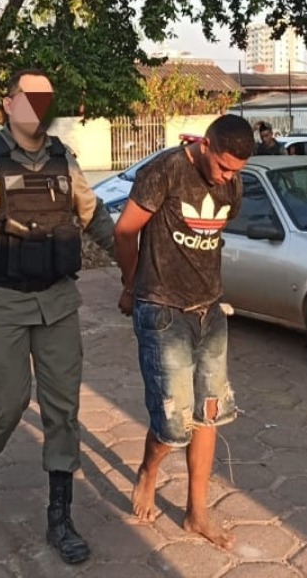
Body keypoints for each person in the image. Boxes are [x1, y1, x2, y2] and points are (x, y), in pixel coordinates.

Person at [0, 69, 114, 565]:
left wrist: (135, 267)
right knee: (6, 405)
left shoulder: (63, 159)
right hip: (3, 305)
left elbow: (95, 217)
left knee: (63, 411)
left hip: (58, 303)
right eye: (27, 97)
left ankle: (60, 516)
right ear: (7, 104)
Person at [112, 113, 255, 549]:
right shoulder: (167, 171)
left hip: (209, 311)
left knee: (208, 413)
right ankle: (148, 471)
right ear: (206, 145)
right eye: (224, 166)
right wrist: (131, 283)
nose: (229, 177)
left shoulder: (233, 182)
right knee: (174, 424)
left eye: (237, 171)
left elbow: (213, 234)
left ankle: (196, 513)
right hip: (162, 311)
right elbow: (124, 230)